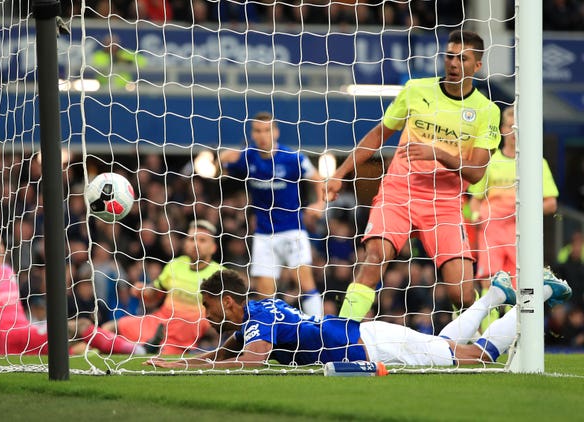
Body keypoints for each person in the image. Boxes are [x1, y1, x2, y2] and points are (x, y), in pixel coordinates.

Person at [325, 30, 501, 321]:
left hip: (443, 203)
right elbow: (379, 134)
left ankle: (485, 338)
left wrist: (439, 153)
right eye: (449, 56)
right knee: (375, 256)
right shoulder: (416, 90)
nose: (453, 63)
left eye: (462, 58)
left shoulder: (486, 111)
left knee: (462, 293)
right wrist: (341, 173)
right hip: (399, 192)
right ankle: (340, 335)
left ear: (477, 66)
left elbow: (476, 171)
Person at [144, 268, 572, 369]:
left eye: (210, 305)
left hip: (369, 345)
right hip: (362, 335)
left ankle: (535, 298)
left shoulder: (256, 321)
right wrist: (180, 362)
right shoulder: (258, 310)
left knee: (476, 358)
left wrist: (179, 363)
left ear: (230, 302)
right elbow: (226, 351)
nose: (206, 314)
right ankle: (496, 292)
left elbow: (250, 359)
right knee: (442, 344)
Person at [0, 231, 144, 355]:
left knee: (78, 337)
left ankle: (132, 347)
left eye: (0, 243)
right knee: (81, 326)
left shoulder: (7, 271)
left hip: (26, 330)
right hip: (7, 341)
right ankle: (138, 350)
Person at [220, 111, 325, 317]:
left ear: (275, 132)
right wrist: (221, 158)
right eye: (257, 131)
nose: (262, 135)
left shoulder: (292, 158)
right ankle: (270, 338)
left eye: (266, 130)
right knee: (265, 294)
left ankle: (320, 330)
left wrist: (319, 204)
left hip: (292, 230)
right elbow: (219, 170)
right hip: (264, 234)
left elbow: (319, 179)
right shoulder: (247, 158)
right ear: (252, 134)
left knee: (305, 283)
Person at [102, 220, 222, 355]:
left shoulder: (220, 273)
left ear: (213, 247)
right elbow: (154, 296)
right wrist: (143, 291)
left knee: (158, 357)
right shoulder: (175, 265)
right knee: (108, 328)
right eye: (191, 239)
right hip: (160, 322)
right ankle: (140, 349)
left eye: (202, 240)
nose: (195, 244)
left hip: (185, 332)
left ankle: (144, 348)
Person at [468, 106, 559, 286]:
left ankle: (513, 314)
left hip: (521, 233)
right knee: (490, 283)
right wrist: (477, 218)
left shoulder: (537, 163)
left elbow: (551, 204)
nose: (513, 132)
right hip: (491, 231)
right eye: (510, 126)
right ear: (502, 129)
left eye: (518, 127)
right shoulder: (489, 162)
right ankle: (491, 315)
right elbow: (475, 201)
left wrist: (522, 212)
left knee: (519, 286)